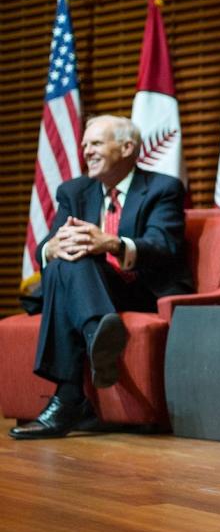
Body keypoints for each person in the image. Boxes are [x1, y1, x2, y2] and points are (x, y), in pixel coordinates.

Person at [10, 115, 192, 439]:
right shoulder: (74, 191)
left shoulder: (163, 188)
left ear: (126, 147)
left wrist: (109, 243)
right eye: (83, 144)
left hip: (138, 287)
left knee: (72, 262)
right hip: (89, 287)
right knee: (66, 260)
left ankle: (69, 397)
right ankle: (98, 335)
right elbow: (50, 244)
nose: (86, 152)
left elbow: (163, 246)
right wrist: (51, 247)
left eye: (95, 143)